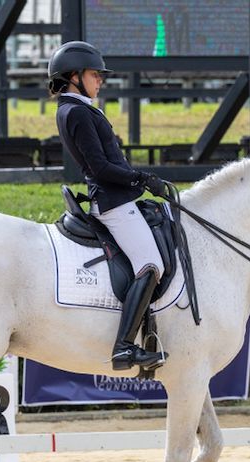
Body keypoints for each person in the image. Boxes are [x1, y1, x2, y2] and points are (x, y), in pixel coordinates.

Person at [48, 40, 169, 371]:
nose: (100, 80)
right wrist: (141, 179)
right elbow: (100, 168)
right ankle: (124, 347)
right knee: (151, 264)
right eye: (94, 74)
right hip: (114, 203)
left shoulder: (79, 109)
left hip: (119, 198)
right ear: (73, 76)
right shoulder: (75, 112)